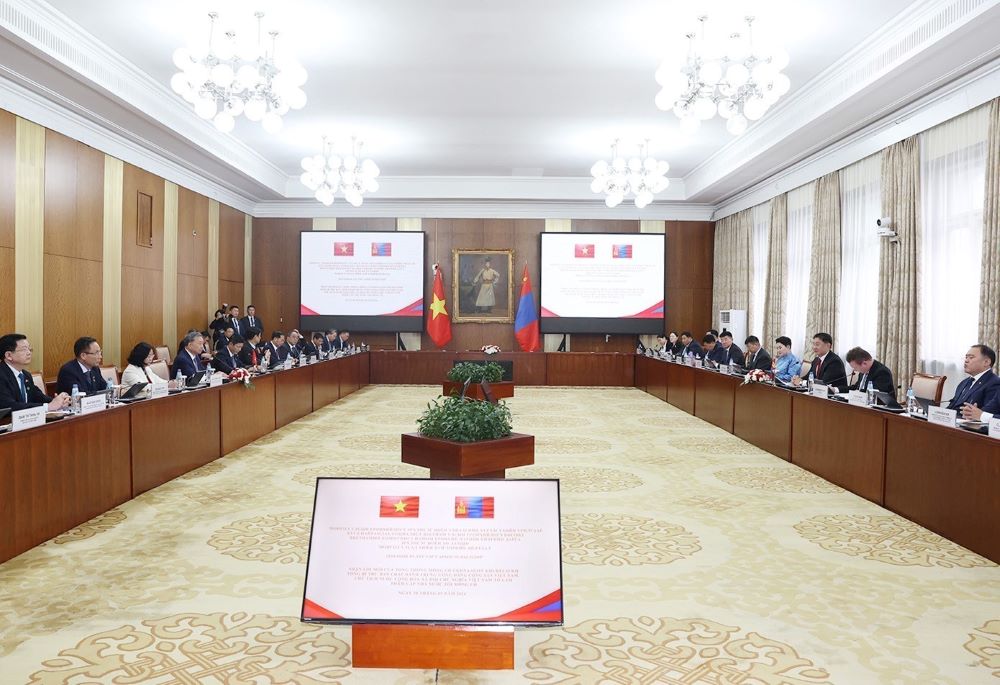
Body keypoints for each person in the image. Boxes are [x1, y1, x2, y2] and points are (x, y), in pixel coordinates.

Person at [0, 333, 70, 411]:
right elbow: (8, 406)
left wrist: (58, 402)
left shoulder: (26, 375)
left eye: (29, 349)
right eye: (24, 349)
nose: (29, 353)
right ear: (9, 355)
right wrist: (48, 407)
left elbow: (38, 397)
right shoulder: (2, 375)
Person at [947, 344, 1000, 411]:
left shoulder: (995, 383)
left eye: (971, 357)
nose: (966, 360)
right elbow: (951, 406)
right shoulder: (964, 382)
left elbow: (988, 413)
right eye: (966, 357)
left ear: (986, 362)